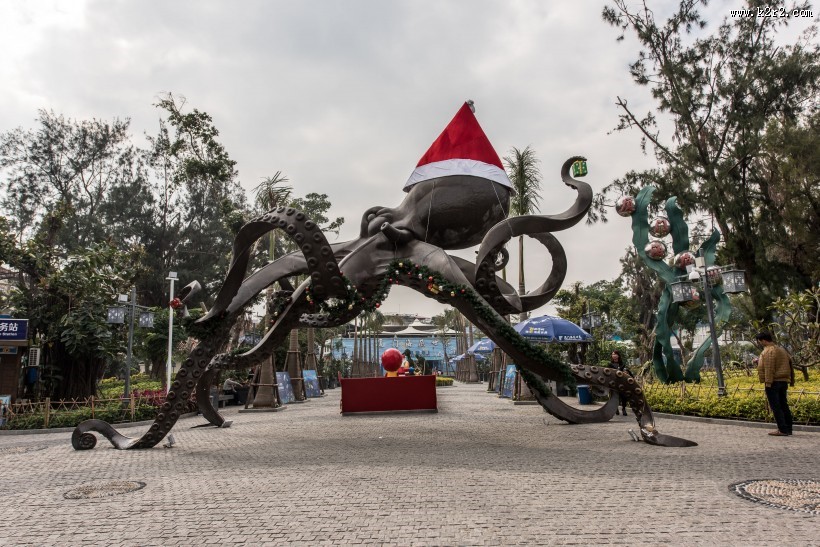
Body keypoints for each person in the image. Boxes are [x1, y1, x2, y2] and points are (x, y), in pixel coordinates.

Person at [755, 331, 794, 436]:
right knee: (784, 405)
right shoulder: (781, 349)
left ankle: (782, 430)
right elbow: (789, 364)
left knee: (776, 407)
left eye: (759, 341)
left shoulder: (768, 351)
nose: (759, 343)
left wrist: (768, 382)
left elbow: (769, 368)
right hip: (783, 381)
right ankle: (788, 429)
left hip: (773, 382)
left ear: (763, 340)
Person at [608, 350, 633, 416]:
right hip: (614, 383)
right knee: (615, 396)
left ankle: (623, 408)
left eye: (615, 354)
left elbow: (626, 372)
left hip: (622, 382)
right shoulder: (610, 364)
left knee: (623, 396)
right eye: (612, 354)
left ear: (618, 355)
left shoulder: (622, 364)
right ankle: (616, 408)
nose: (613, 355)